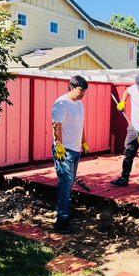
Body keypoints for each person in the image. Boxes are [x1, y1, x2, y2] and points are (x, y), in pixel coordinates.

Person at [52, 75, 89, 234]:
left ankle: (65, 212)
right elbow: (56, 125)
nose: (83, 94)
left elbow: (81, 125)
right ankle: (61, 222)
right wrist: (59, 146)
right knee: (66, 183)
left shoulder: (80, 105)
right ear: (72, 87)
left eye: (85, 91)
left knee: (70, 183)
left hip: (75, 150)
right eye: (81, 90)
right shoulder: (61, 103)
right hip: (64, 151)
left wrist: (84, 141)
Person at [110, 73, 139, 193]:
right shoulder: (133, 88)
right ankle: (124, 178)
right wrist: (122, 102)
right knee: (128, 152)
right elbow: (126, 92)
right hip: (133, 127)